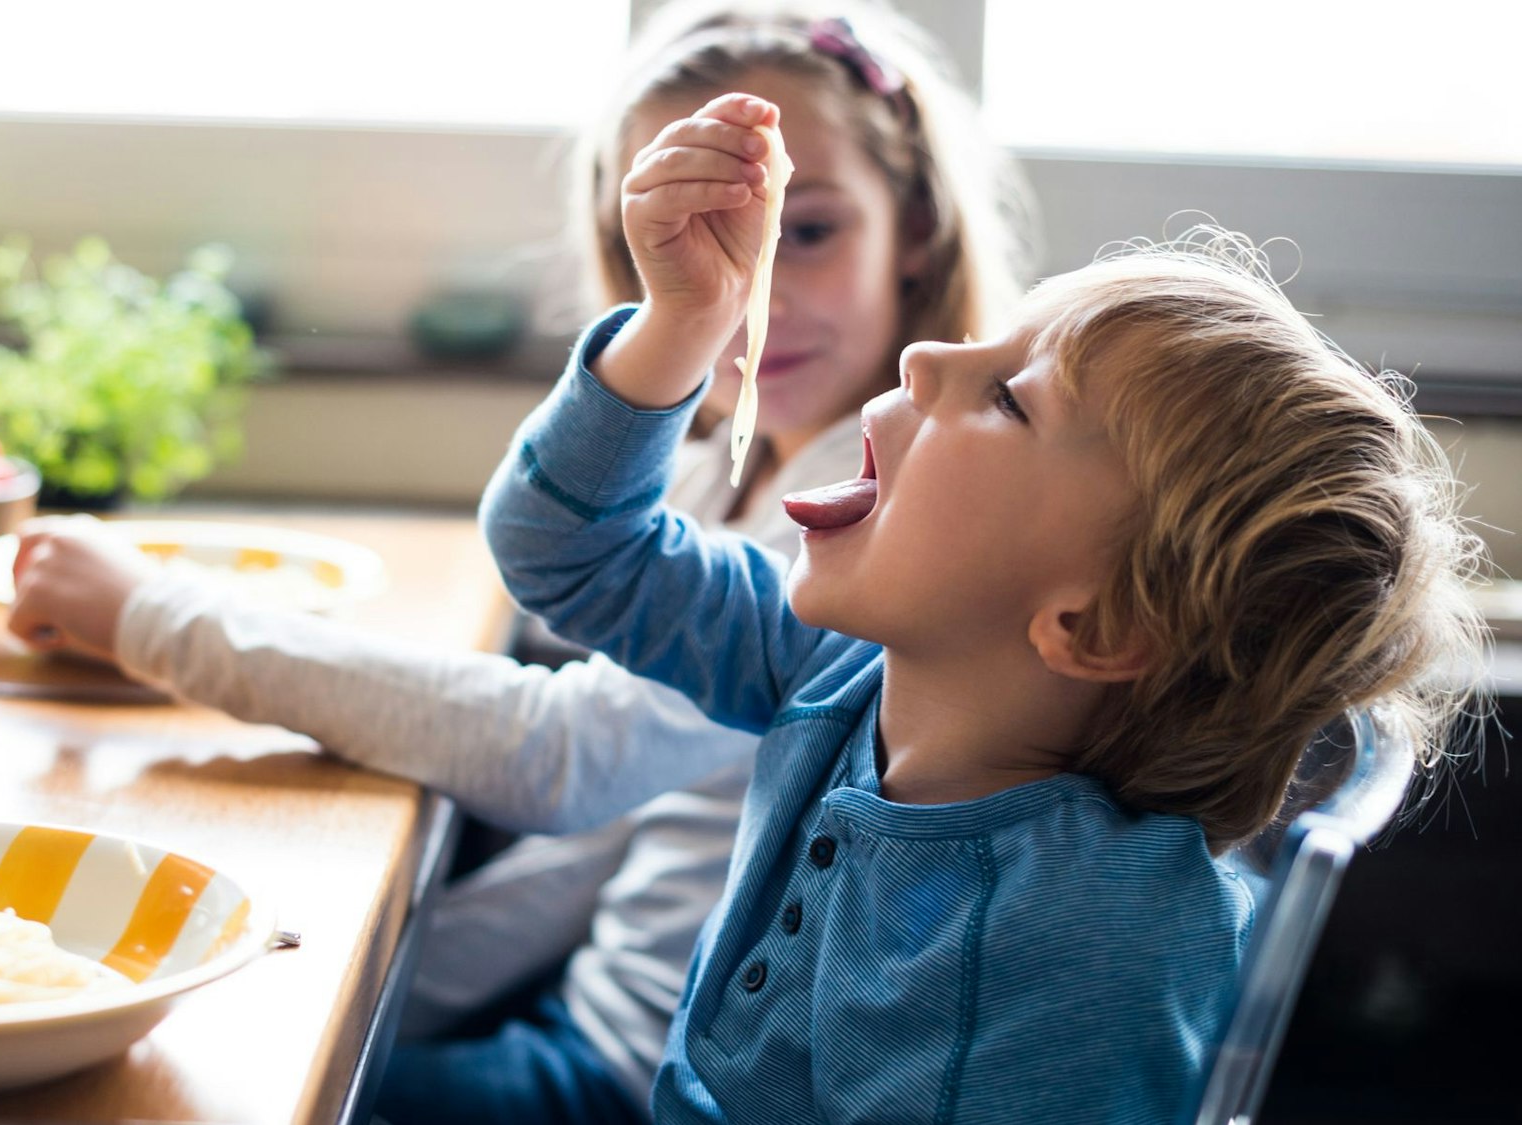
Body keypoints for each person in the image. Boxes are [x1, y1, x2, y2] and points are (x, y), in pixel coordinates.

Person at [7, 2, 1028, 1121]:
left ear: (915, 227)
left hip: (645, 1073)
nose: (756, 289)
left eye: (809, 230)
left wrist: (156, 618)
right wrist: (374, 994)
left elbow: (562, 758)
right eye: (694, 237)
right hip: (583, 1017)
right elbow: (595, 840)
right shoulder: (710, 476)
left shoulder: (884, 531)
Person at [477, 84, 1485, 1120]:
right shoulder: (839, 666)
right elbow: (571, 555)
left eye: (1009, 397)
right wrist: (681, 321)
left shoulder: (1089, 955)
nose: (922, 357)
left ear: (1094, 626)